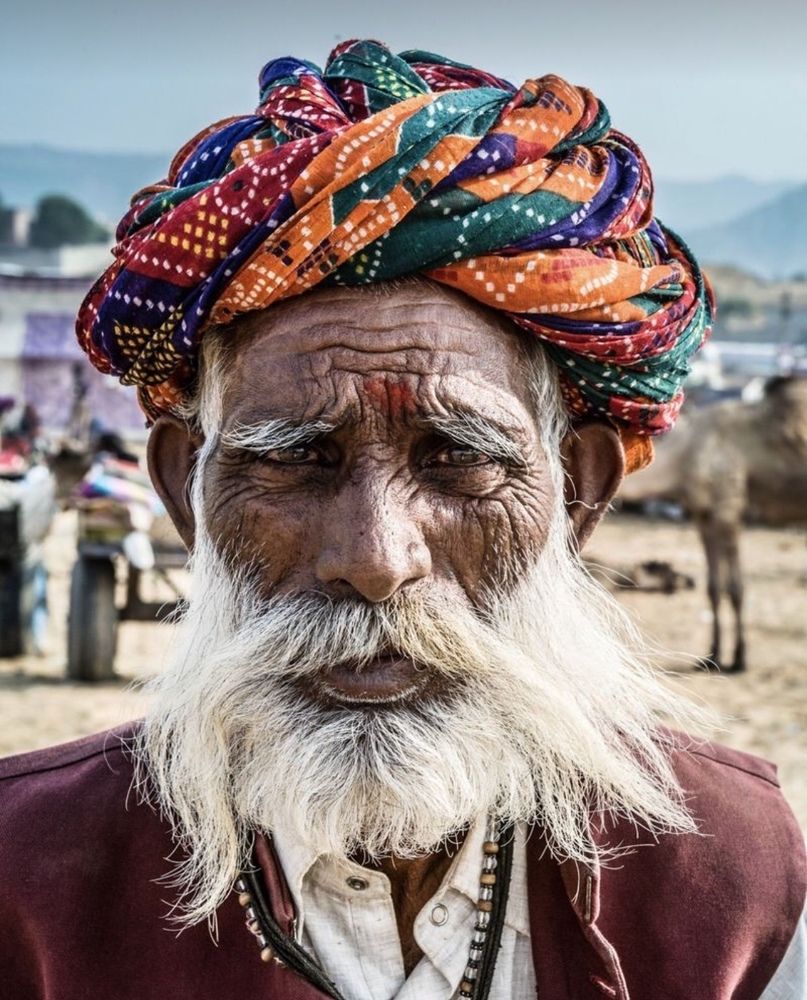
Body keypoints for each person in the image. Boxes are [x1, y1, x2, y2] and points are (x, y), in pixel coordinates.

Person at [0, 40, 804, 1000]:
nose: (375, 560)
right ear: (184, 492)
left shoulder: (744, 885)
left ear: (577, 493)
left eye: (459, 459)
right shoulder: (24, 882)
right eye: (295, 460)